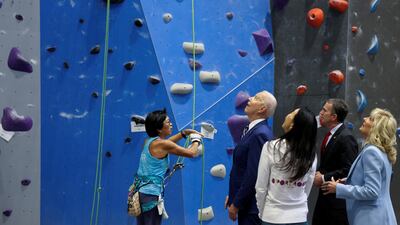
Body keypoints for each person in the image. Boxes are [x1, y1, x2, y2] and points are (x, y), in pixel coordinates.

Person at [322, 108, 398, 225]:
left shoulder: (371, 152)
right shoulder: (381, 151)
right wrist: (349, 181)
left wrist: (338, 188)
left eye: (370, 119)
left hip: (371, 218)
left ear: (376, 127)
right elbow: (379, 183)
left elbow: (372, 191)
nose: (364, 119)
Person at [134, 109, 202, 225]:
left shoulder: (149, 142)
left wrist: (183, 134)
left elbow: (167, 143)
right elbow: (191, 153)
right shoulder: (163, 144)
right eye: (168, 122)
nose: (171, 124)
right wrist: (196, 139)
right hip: (151, 195)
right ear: (159, 129)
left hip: (142, 192)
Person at [256, 108, 318, 225]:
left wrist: (261, 212)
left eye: (292, 114)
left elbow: (261, 187)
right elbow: (307, 188)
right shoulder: (311, 154)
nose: (287, 114)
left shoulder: (271, 147)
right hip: (299, 217)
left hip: (272, 216)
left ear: (293, 125)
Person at [225, 90, 277, 225]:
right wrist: (233, 195)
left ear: (262, 109)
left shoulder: (260, 134)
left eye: (256, 98)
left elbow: (253, 174)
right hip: (246, 204)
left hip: (251, 208)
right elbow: (241, 169)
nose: (250, 98)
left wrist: (237, 202)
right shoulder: (252, 130)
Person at [312, 99, 358, 225]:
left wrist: (323, 177)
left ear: (334, 117)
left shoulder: (346, 137)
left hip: (336, 204)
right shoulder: (331, 135)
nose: (320, 113)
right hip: (324, 199)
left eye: (324, 110)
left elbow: (348, 170)